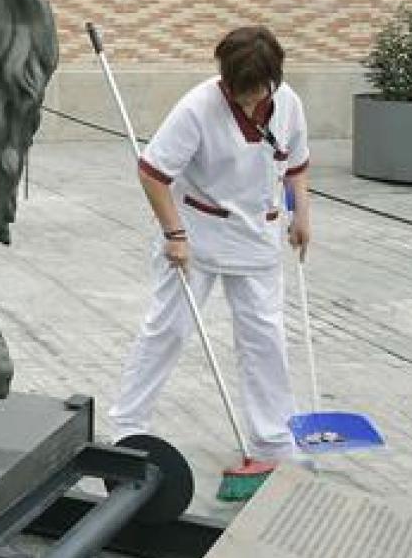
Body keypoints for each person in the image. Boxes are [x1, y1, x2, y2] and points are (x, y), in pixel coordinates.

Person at [108, 25, 312, 470]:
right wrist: (174, 234)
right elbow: (153, 174)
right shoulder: (197, 108)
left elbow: (295, 166)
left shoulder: (289, 103)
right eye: (239, 91)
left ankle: (273, 440)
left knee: (265, 337)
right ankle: (127, 427)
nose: (247, 100)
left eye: (256, 90)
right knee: (168, 329)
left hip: (259, 236)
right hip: (196, 237)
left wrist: (301, 215)